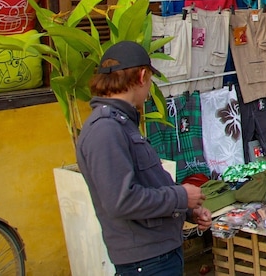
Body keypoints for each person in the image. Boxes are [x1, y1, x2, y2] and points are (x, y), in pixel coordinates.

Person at [76, 41, 212, 275]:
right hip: (147, 261)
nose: (149, 89)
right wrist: (180, 195)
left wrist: (187, 208)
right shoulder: (105, 129)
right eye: (150, 81)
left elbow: (147, 183)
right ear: (142, 76)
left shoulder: (122, 123)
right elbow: (122, 200)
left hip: (157, 254)